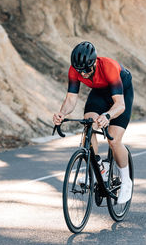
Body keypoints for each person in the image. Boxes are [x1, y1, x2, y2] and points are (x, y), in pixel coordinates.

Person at [53, 41, 134, 204]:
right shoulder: (75, 70)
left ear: (95, 62)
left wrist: (108, 116)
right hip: (99, 93)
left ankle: (126, 181)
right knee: (89, 123)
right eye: (79, 71)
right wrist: (62, 113)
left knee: (114, 139)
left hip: (121, 94)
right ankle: (98, 166)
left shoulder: (108, 67)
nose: (83, 75)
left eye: (86, 70)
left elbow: (120, 105)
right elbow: (71, 98)